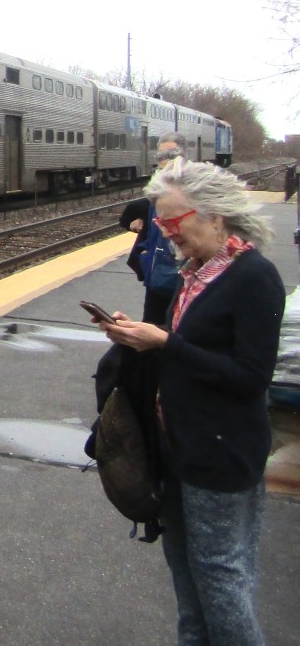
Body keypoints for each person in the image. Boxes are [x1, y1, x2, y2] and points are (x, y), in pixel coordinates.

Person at [100, 159, 284, 646]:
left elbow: (250, 378)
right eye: (159, 223)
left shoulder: (254, 278)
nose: (165, 233)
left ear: (215, 216)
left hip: (220, 454)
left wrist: (164, 342)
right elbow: (186, 351)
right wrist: (137, 338)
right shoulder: (194, 273)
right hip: (177, 449)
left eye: (172, 222)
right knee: (187, 580)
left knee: (221, 581)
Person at [119, 133, 187, 323]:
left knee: (176, 326)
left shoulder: (191, 186)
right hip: (156, 275)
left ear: (182, 156)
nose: (164, 160)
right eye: (160, 156)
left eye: (170, 155)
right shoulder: (156, 189)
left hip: (181, 276)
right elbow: (131, 215)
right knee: (152, 324)